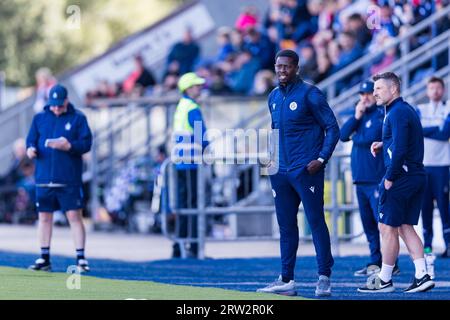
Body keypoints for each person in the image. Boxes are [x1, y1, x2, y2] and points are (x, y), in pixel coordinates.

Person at [257, 49, 340, 297]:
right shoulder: (272, 97)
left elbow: (333, 129)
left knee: (315, 222)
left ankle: (324, 276)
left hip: (306, 169)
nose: (282, 70)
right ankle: (286, 279)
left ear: (296, 68)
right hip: (279, 171)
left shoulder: (310, 94)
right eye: (279, 66)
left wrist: (321, 158)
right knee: (285, 226)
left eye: (287, 67)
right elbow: (275, 131)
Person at [358, 72, 435, 293]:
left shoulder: (397, 112)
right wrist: (384, 143)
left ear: (394, 89)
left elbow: (401, 148)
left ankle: (384, 279)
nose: (374, 93)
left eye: (379, 89)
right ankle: (422, 274)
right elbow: (404, 140)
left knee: (387, 227)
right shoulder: (402, 110)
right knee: (403, 226)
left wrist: (390, 178)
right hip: (414, 175)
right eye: (374, 89)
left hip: (401, 177)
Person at [26, 84, 92, 272]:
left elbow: (86, 143)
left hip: (68, 178)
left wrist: (69, 146)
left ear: (66, 101)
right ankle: (44, 256)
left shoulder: (78, 118)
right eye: (53, 104)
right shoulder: (40, 118)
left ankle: (80, 257)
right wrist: (31, 149)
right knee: (44, 217)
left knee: (74, 216)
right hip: (44, 178)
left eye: (59, 105)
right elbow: (31, 140)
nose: (56, 108)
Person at [340, 80, 400, 277]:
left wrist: (357, 137)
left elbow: (369, 138)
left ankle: (390, 263)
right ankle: (375, 260)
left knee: (382, 223)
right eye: (362, 94)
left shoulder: (381, 114)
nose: (365, 97)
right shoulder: (359, 115)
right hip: (360, 178)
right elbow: (342, 135)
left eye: (368, 93)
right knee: (368, 224)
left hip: (376, 178)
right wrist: (356, 116)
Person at [171, 72, 208, 258]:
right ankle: (193, 247)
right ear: (188, 88)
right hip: (192, 163)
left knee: (183, 204)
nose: (199, 88)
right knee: (194, 205)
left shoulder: (181, 106)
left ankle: (178, 246)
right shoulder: (192, 107)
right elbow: (202, 137)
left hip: (181, 161)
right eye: (196, 86)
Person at [416, 76, 450, 271]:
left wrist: (429, 130)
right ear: (427, 91)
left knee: (445, 207)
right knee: (425, 207)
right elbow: (417, 131)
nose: (435, 91)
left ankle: (448, 244)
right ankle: (427, 245)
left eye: (438, 88)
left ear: (443, 90)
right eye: (432, 88)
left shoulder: (448, 107)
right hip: (424, 165)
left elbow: (445, 133)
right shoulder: (421, 109)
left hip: (443, 165)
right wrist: (436, 128)